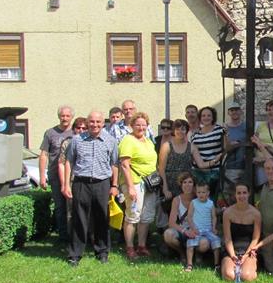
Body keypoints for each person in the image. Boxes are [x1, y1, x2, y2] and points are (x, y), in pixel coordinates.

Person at [63, 110, 119, 266]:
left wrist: (114, 185)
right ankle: (75, 254)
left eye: (98, 122)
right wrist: (66, 184)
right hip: (81, 183)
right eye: (92, 122)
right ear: (87, 123)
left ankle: (102, 252)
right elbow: (69, 162)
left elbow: (114, 164)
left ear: (103, 123)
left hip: (102, 183)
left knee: (102, 217)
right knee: (79, 218)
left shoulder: (111, 141)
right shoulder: (77, 140)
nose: (95, 125)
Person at [117, 112, 158, 261]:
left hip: (149, 183)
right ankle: (129, 247)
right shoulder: (128, 140)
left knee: (146, 216)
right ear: (132, 125)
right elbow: (125, 165)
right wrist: (130, 187)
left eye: (143, 125)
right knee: (133, 215)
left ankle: (141, 245)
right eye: (138, 125)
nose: (141, 127)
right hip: (134, 182)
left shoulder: (148, 141)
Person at [39, 105, 74, 242]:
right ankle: (63, 236)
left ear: (71, 117)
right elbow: (44, 155)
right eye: (62, 116)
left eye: (67, 116)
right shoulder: (50, 133)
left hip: (72, 176)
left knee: (73, 207)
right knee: (60, 206)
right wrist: (42, 176)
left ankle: (74, 235)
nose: (65, 118)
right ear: (59, 116)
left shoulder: (76, 132)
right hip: (55, 175)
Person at [220, 182, 261, 283]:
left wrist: (246, 255)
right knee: (229, 276)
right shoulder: (228, 213)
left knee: (246, 277)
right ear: (235, 195)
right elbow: (227, 238)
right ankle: (228, 266)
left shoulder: (256, 214)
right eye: (239, 193)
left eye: (244, 193)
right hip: (232, 249)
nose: (242, 196)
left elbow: (255, 238)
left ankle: (250, 268)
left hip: (249, 250)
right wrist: (233, 255)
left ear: (249, 194)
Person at [57, 117, 88, 239]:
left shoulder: (92, 142)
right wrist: (64, 184)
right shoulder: (67, 142)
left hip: (87, 181)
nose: (81, 130)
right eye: (78, 128)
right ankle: (72, 238)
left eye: (84, 128)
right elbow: (61, 163)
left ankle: (88, 237)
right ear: (74, 129)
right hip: (71, 180)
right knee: (71, 211)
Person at [158, 119, 203, 199]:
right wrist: (165, 188)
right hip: (170, 184)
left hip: (186, 185)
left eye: (183, 129)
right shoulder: (166, 146)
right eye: (177, 129)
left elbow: (201, 164)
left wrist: (215, 160)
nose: (180, 131)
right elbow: (161, 169)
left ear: (186, 131)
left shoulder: (191, 146)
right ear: (173, 131)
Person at [190, 106, 227, 199]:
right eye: (203, 116)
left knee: (211, 199)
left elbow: (226, 147)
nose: (206, 118)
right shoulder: (195, 134)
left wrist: (227, 135)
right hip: (197, 171)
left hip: (213, 171)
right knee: (198, 199)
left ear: (213, 117)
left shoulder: (220, 130)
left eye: (209, 115)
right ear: (200, 118)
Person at [185, 181, 221, 271]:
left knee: (217, 242)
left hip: (208, 230)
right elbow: (189, 217)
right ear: (196, 193)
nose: (201, 194)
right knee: (190, 244)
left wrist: (214, 228)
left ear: (208, 193)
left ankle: (217, 264)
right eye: (199, 192)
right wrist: (193, 228)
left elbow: (214, 217)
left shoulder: (210, 203)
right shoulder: (193, 202)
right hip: (197, 229)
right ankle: (189, 264)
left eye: (203, 192)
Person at [163, 172, 197, 262]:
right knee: (168, 234)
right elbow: (171, 223)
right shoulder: (177, 200)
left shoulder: (199, 197)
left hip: (197, 230)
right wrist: (185, 231)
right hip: (184, 230)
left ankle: (198, 255)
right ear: (181, 185)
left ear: (194, 185)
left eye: (190, 182)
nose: (187, 185)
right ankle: (182, 253)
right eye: (184, 182)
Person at [223, 102, 246, 203]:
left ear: (240, 111)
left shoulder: (246, 126)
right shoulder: (225, 128)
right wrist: (231, 144)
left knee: (245, 192)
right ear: (228, 112)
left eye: (236, 110)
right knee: (230, 192)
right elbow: (224, 147)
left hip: (245, 164)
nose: (234, 112)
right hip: (231, 165)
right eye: (232, 110)